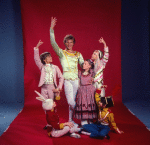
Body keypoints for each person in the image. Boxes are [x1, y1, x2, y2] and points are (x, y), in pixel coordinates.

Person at [50, 17, 84, 122]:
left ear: (74, 43)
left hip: (77, 81)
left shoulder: (78, 54)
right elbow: (53, 43)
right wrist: (51, 29)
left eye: (71, 42)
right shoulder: (62, 53)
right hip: (67, 80)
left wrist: (92, 64)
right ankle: (83, 114)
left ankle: (71, 121)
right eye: (67, 42)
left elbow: (83, 66)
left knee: (73, 101)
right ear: (65, 43)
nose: (69, 44)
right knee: (70, 101)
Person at [74, 59, 97, 125]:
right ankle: (83, 120)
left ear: (89, 66)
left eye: (85, 64)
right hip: (82, 92)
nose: (83, 65)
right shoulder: (80, 73)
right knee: (83, 104)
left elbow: (97, 68)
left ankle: (90, 120)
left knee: (89, 103)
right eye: (83, 63)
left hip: (90, 91)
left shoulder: (92, 73)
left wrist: (94, 62)